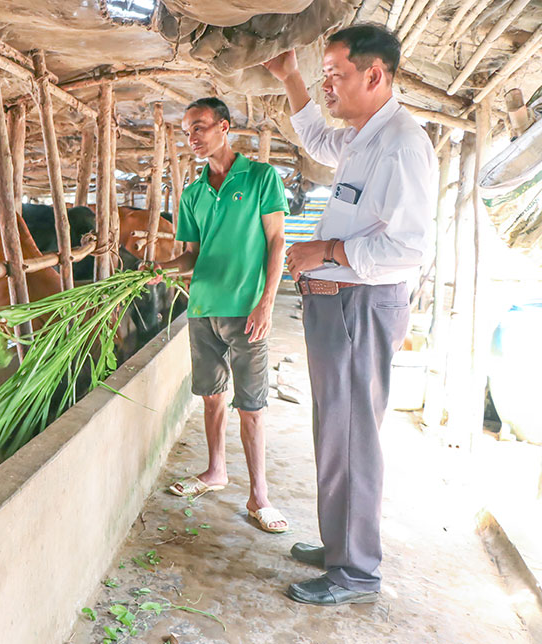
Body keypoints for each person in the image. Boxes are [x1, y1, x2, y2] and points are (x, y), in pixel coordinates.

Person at [263, 24, 435, 605]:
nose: (328, 86)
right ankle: (340, 545)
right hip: (338, 305)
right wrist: (290, 78)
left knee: (354, 438)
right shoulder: (364, 136)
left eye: (334, 75)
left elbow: (409, 250)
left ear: (374, 75)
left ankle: (356, 573)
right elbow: (316, 138)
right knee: (335, 433)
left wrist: (326, 252)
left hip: (362, 307)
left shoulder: (402, 145)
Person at [153, 97, 290, 534]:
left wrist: (266, 301)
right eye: (188, 130)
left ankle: (259, 496)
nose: (192, 137)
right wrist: (162, 270)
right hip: (202, 308)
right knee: (212, 396)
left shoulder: (261, 177)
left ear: (224, 127)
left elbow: (276, 242)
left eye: (200, 127)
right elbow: (190, 257)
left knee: (251, 405)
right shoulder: (191, 193)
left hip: (247, 310)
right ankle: (215, 471)